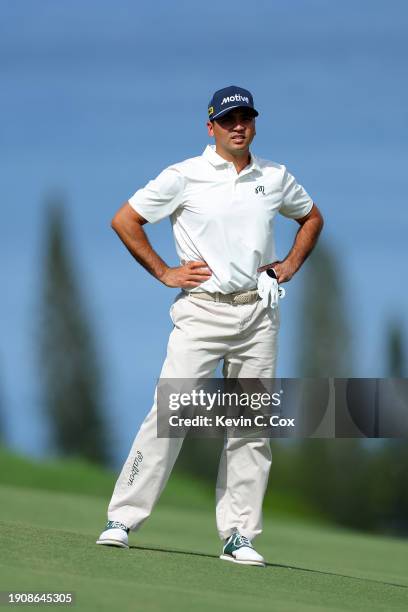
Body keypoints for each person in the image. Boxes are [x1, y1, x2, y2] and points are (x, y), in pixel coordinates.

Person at [96, 85, 324, 566]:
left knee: (250, 426)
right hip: (201, 310)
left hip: (258, 314)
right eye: (228, 120)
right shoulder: (186, 175)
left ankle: (238, 535)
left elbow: (311, 218)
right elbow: (126, 220)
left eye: (245, 117)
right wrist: (164, 272)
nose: (237, 126)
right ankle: (122, 518)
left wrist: (288, 266)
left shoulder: (276, 177)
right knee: (170, 414)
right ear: (211, 127)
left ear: (255, 124)